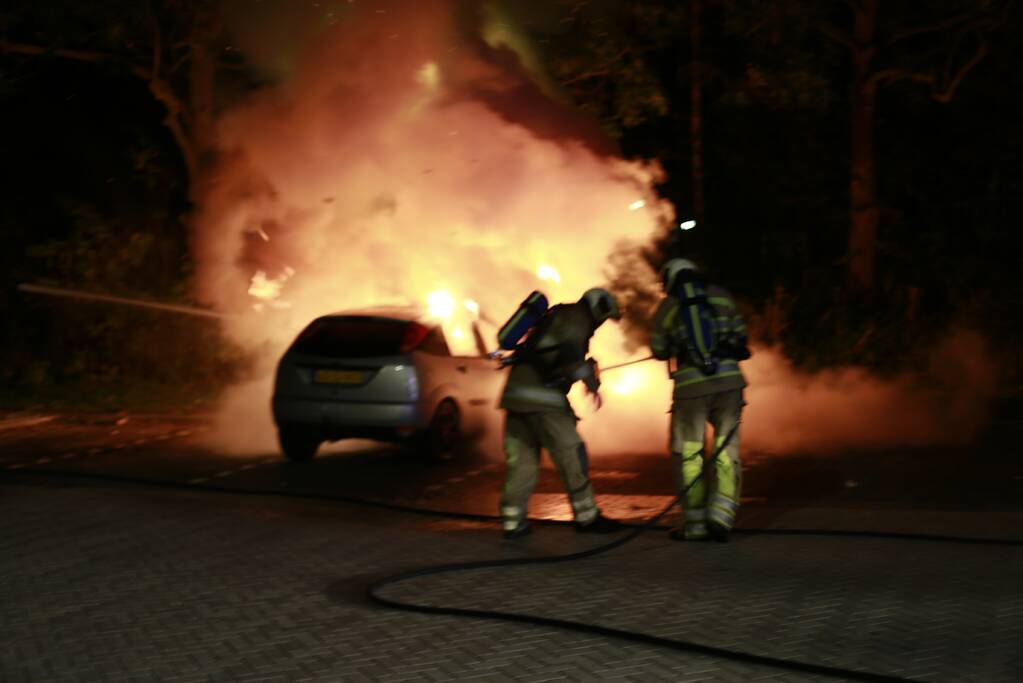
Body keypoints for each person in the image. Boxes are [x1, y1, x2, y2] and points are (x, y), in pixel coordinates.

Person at [498, 287, 625, 539]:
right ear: (598, 309)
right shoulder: (577, 319)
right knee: (572, 453)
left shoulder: (556, 316)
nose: (600, 324)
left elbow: (552, 354)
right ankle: (587, 518)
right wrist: (591, 381)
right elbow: (570, 360)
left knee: (523, 463)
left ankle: (513, 522)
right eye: (603, 317)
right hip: (543, 401)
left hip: (515, 397)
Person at [650, 259, 750, 542]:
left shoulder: (669, 306)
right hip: (730, 384)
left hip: (691, 388)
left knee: (690, 453)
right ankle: (721, 517)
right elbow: (741, 337)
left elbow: (658, 349)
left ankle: (694, 524)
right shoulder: (722, 296)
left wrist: (675, 345)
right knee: (726, 451)